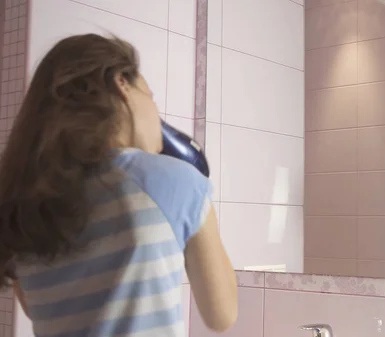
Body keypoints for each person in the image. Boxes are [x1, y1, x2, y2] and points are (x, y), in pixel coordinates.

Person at [0, 34, 238, 336]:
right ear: (121, 83)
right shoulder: (175, 180)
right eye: (150, 95)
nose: (156, 114)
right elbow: (222, 314)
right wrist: (199, 190)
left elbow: (39, 313)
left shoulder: (24, 208)